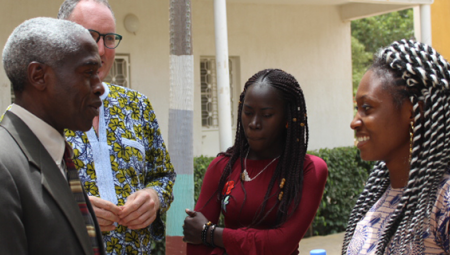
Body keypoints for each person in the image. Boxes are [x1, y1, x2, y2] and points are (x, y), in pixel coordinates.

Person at [58, 0, 176, 254]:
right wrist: (71, 208)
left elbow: (164, 176)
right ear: (60, 39)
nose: (100, 50)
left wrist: (154, 197)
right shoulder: (45, 112)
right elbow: (20, 191)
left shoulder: (137, 106)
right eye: (89, 36)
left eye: (109, 38)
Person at [183, 69, 328, 255]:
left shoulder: (308, 169)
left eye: (266, 115)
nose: (254, 123)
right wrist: (206, 235)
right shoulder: (222, 166)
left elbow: (281, 245)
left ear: (287, 118)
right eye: (248, 112)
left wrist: (210, 233)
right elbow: (196, 240)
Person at [0, 17, 106, 254]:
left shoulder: (57, 155)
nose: (100, 86)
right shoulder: (5, 164)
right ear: (38, 76)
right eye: (88, 72)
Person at [342, 40, 450, 254]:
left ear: (414, 111)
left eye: (367, 108)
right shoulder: (378, 193)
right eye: (357, 109)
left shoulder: (443, 202)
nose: (354, 122)